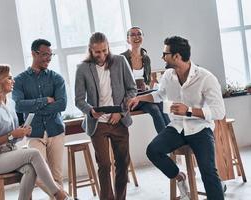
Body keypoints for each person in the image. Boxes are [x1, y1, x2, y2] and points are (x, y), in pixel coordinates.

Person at [128, 36, 225, 200]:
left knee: (208, 171)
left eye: (165, 53)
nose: (162, 56)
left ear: (177, 56)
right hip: (177, 127)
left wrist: (188, 111)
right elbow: (159, 94)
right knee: (153, 151)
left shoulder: (206, 78)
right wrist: (139, 98)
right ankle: (180, 177)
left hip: (200, 128)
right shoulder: (168, 75)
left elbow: (219, 111)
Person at [0, 64, 73, 200]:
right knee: (34, 153)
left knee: (30, 169)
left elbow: (14, 137)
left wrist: (21, 133)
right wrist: (12, 135)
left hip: (10, 152)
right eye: (9, 78)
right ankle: (60, 195)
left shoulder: (9, 104)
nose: (14, 81)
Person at [75, 32, 136, 200]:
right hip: (97, 122)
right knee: (104, 164)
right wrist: (90, 111)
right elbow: (79, 100)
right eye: (97, 52)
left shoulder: (120, 62)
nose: (101, 55)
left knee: (123, 163)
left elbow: (132, 90)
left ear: (108, 47)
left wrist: (120, 112)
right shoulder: (82, 68)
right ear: (90, 50)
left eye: (104, 50)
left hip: (119, 120)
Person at [12, 39, 67, 197]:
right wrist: (44, 101)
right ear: (33, 53)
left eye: (50, 55)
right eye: (44, 54)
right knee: (39, 175)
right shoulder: (20, 80)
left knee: (57, 176)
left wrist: (34, 107)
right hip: (34, 134)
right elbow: (19, 106)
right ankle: (67, 197)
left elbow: (61, 105)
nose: (48, 58)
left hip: (56, 131)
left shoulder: (57, 78)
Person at [121, 26, 170, 134]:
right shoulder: (122, 59)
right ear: (127, 40)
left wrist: (146, 86)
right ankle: (168, 142)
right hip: (129, 98)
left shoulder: (146, 58)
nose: (136, 37)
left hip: (143, 95)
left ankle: (171, 139)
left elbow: (147, 81)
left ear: (143, 37)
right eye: (132, 35)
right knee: (156, 105)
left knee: (157, 105)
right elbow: (118, 84)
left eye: (139, 34)